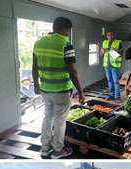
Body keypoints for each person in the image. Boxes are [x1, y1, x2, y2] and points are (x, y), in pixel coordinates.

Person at [33, 16, 84, 159]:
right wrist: (80, 91)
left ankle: (44, 149)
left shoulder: (38, 43)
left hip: (45, 89)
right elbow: (73, 71)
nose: (68, 33)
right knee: (60, 121)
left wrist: (36, 85)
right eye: (68, 31)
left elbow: (34, 66)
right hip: (61, 90)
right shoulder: (66, 44)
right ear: (65, 29)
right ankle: (57, 150)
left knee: (47, 117)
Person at [101, 32, 122, 102]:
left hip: (115, 66)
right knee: (109, 81)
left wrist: (116, 51)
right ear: (107, 36)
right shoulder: (104, 42)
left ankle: (117, 97)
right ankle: (111, 95)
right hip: (107, 65)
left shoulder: (118, 42)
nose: (109, 36)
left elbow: (121, 53)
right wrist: (102, 51)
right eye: (108, 35)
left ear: (114, 35)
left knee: (115, 81)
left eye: (111, 35)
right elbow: (101, 54)